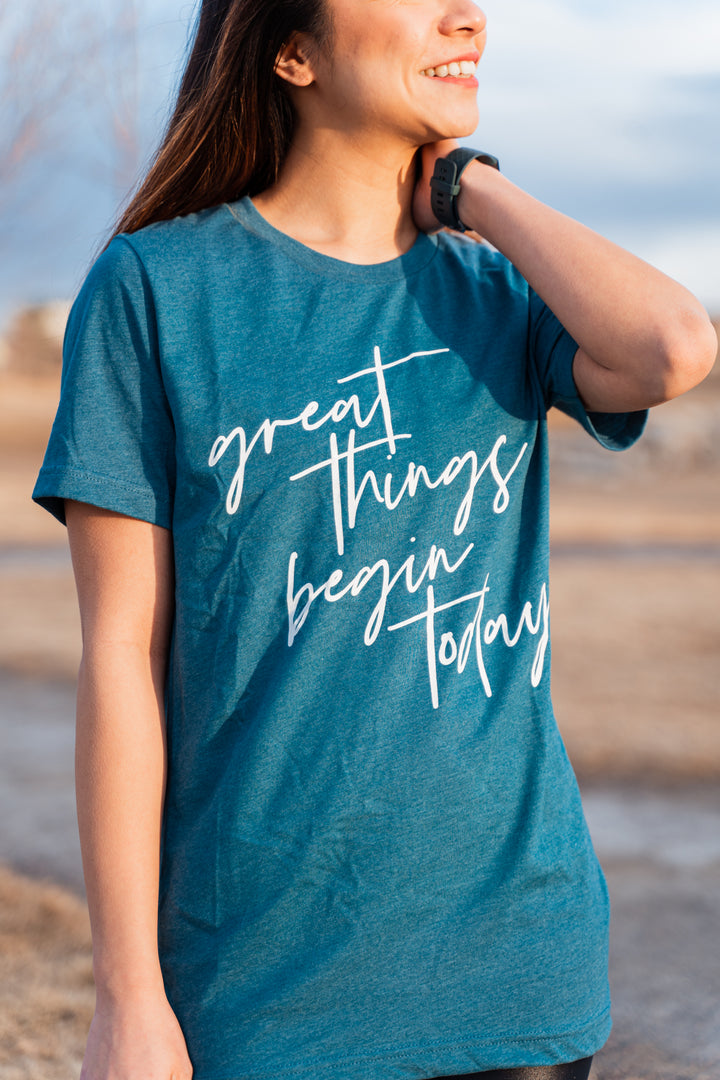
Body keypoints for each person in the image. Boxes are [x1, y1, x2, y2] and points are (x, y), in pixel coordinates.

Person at [33, 1, 716, 1078]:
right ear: (291, 50)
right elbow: (122, 657)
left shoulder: (498, 293)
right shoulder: (158, 292)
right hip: (258, 988)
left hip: (515, 974)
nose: (467, 16)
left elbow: (673, 347)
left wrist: (470, 185)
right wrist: (127, 994)